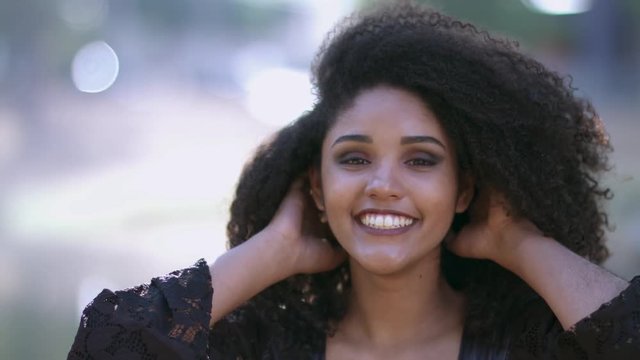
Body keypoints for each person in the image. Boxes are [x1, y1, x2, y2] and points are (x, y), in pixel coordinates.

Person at [68, 3, 640, 359]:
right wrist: (272, 249)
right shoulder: (260, 349)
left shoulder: (528, 348)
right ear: (316, 186)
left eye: (421, 160)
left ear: (464, 189)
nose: (383, 185)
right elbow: (102, 349)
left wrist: (523, 244)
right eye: (354, 159)